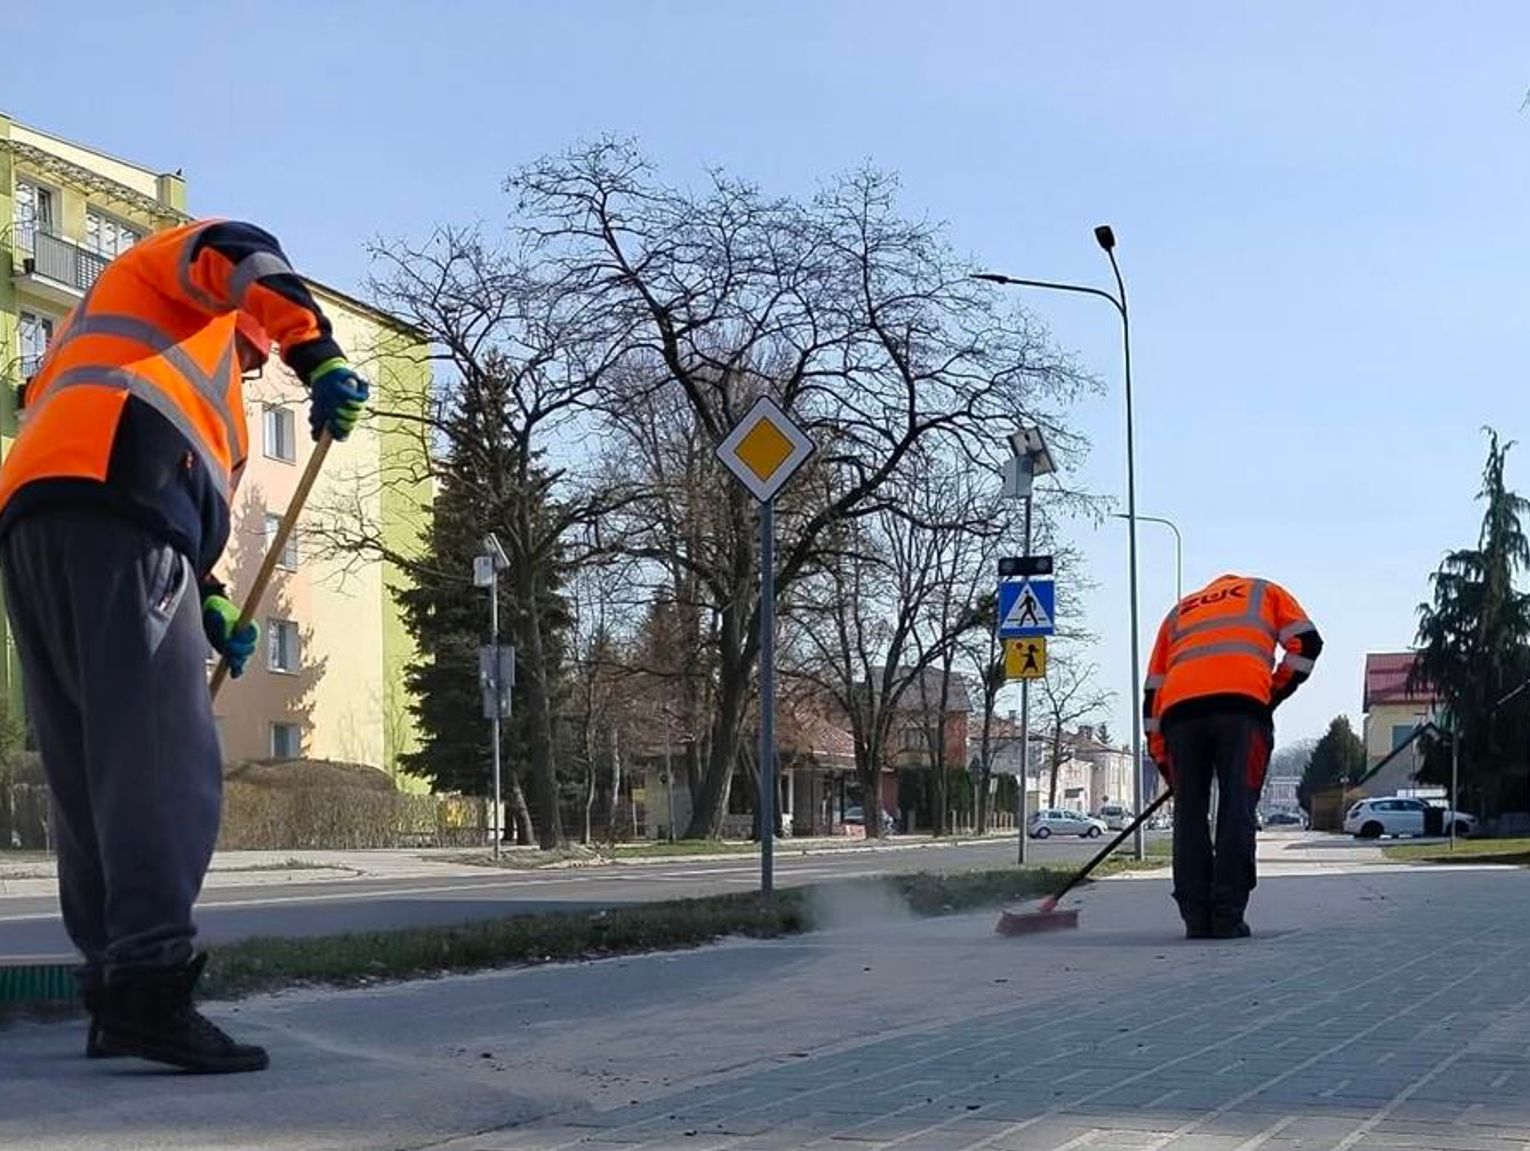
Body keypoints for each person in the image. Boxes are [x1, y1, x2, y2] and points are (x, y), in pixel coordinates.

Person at [0, 219, 368, 1073]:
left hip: (38, 522)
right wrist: (321, 353)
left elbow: (150, 492)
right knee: (164, 763)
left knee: (92, 766)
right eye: (260, 351)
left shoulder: (109, 337)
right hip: (116, 514)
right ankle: (152, 985)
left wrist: (207, 603)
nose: (257, 364)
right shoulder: (183, 278)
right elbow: (248, 252)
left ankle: (113, 984)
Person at [1143, 574, 1321, 940]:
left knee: (1189, 815)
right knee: (1237, 809)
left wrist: (1163, 759)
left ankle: (1196, 918)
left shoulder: (1180, 611)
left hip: (1179, 715)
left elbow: (1153, 692)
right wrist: (1270, 692)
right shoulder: (1264, 592)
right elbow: (1306, 643)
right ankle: (1226, 916)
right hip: (1241, 710)